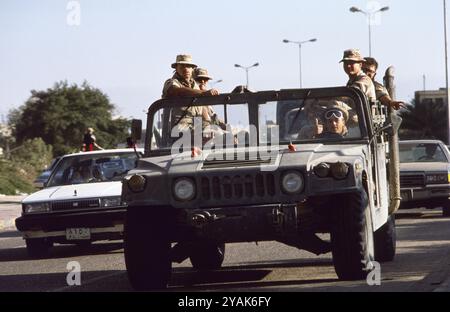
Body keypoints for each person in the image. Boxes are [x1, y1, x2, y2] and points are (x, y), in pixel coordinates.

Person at [162, 55, 219, 131]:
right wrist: (203, 93)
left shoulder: (195, 86)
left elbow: (204, 111)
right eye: (182, 66)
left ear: (192, 69)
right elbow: (178, 91)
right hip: (178, 130)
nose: (186, 69)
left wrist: (209, 127)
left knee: (223, 136)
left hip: (197, 128)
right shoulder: (171, 83)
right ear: (176, 68)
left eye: (189, 66)